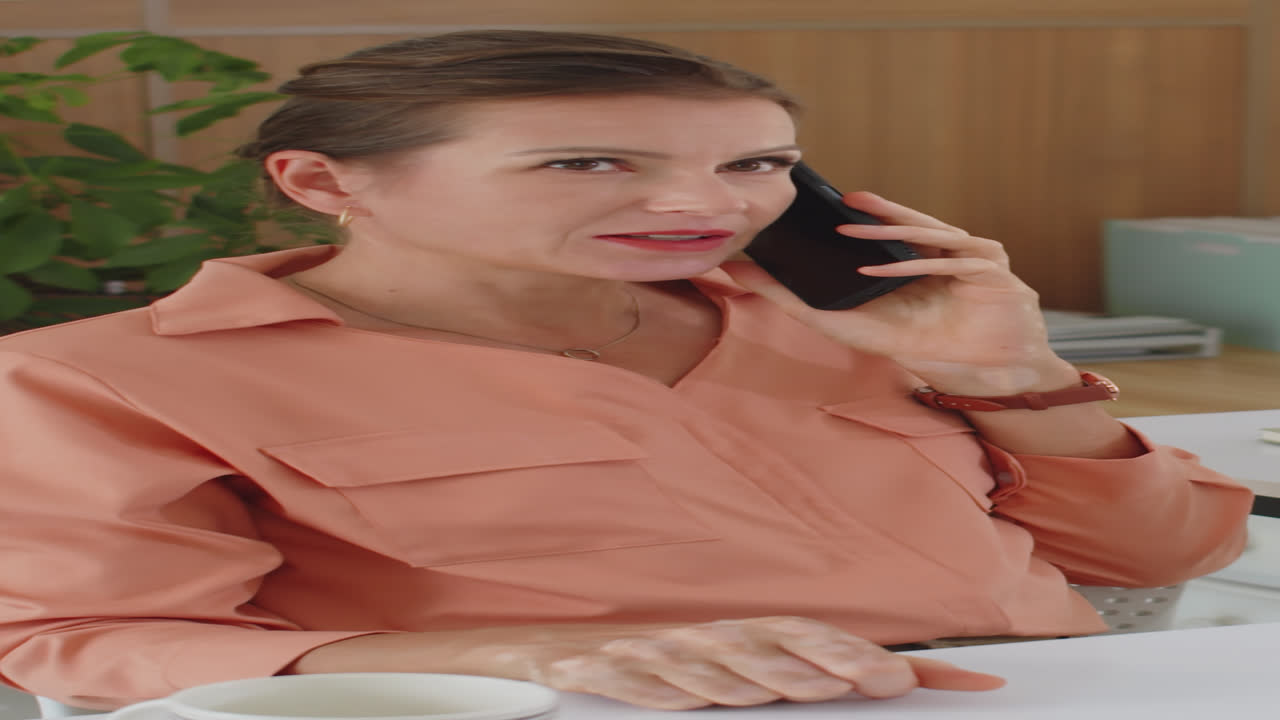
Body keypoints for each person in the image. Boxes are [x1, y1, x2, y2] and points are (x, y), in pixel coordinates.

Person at [0, 29, 1252, 712]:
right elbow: (88, 641)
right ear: (323, 183)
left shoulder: (844, 322)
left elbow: (1166, 562)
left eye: (756, 165)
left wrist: (1016, 382)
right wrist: (511, 661)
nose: (700, 206)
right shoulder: (100, 380)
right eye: (584, 164)